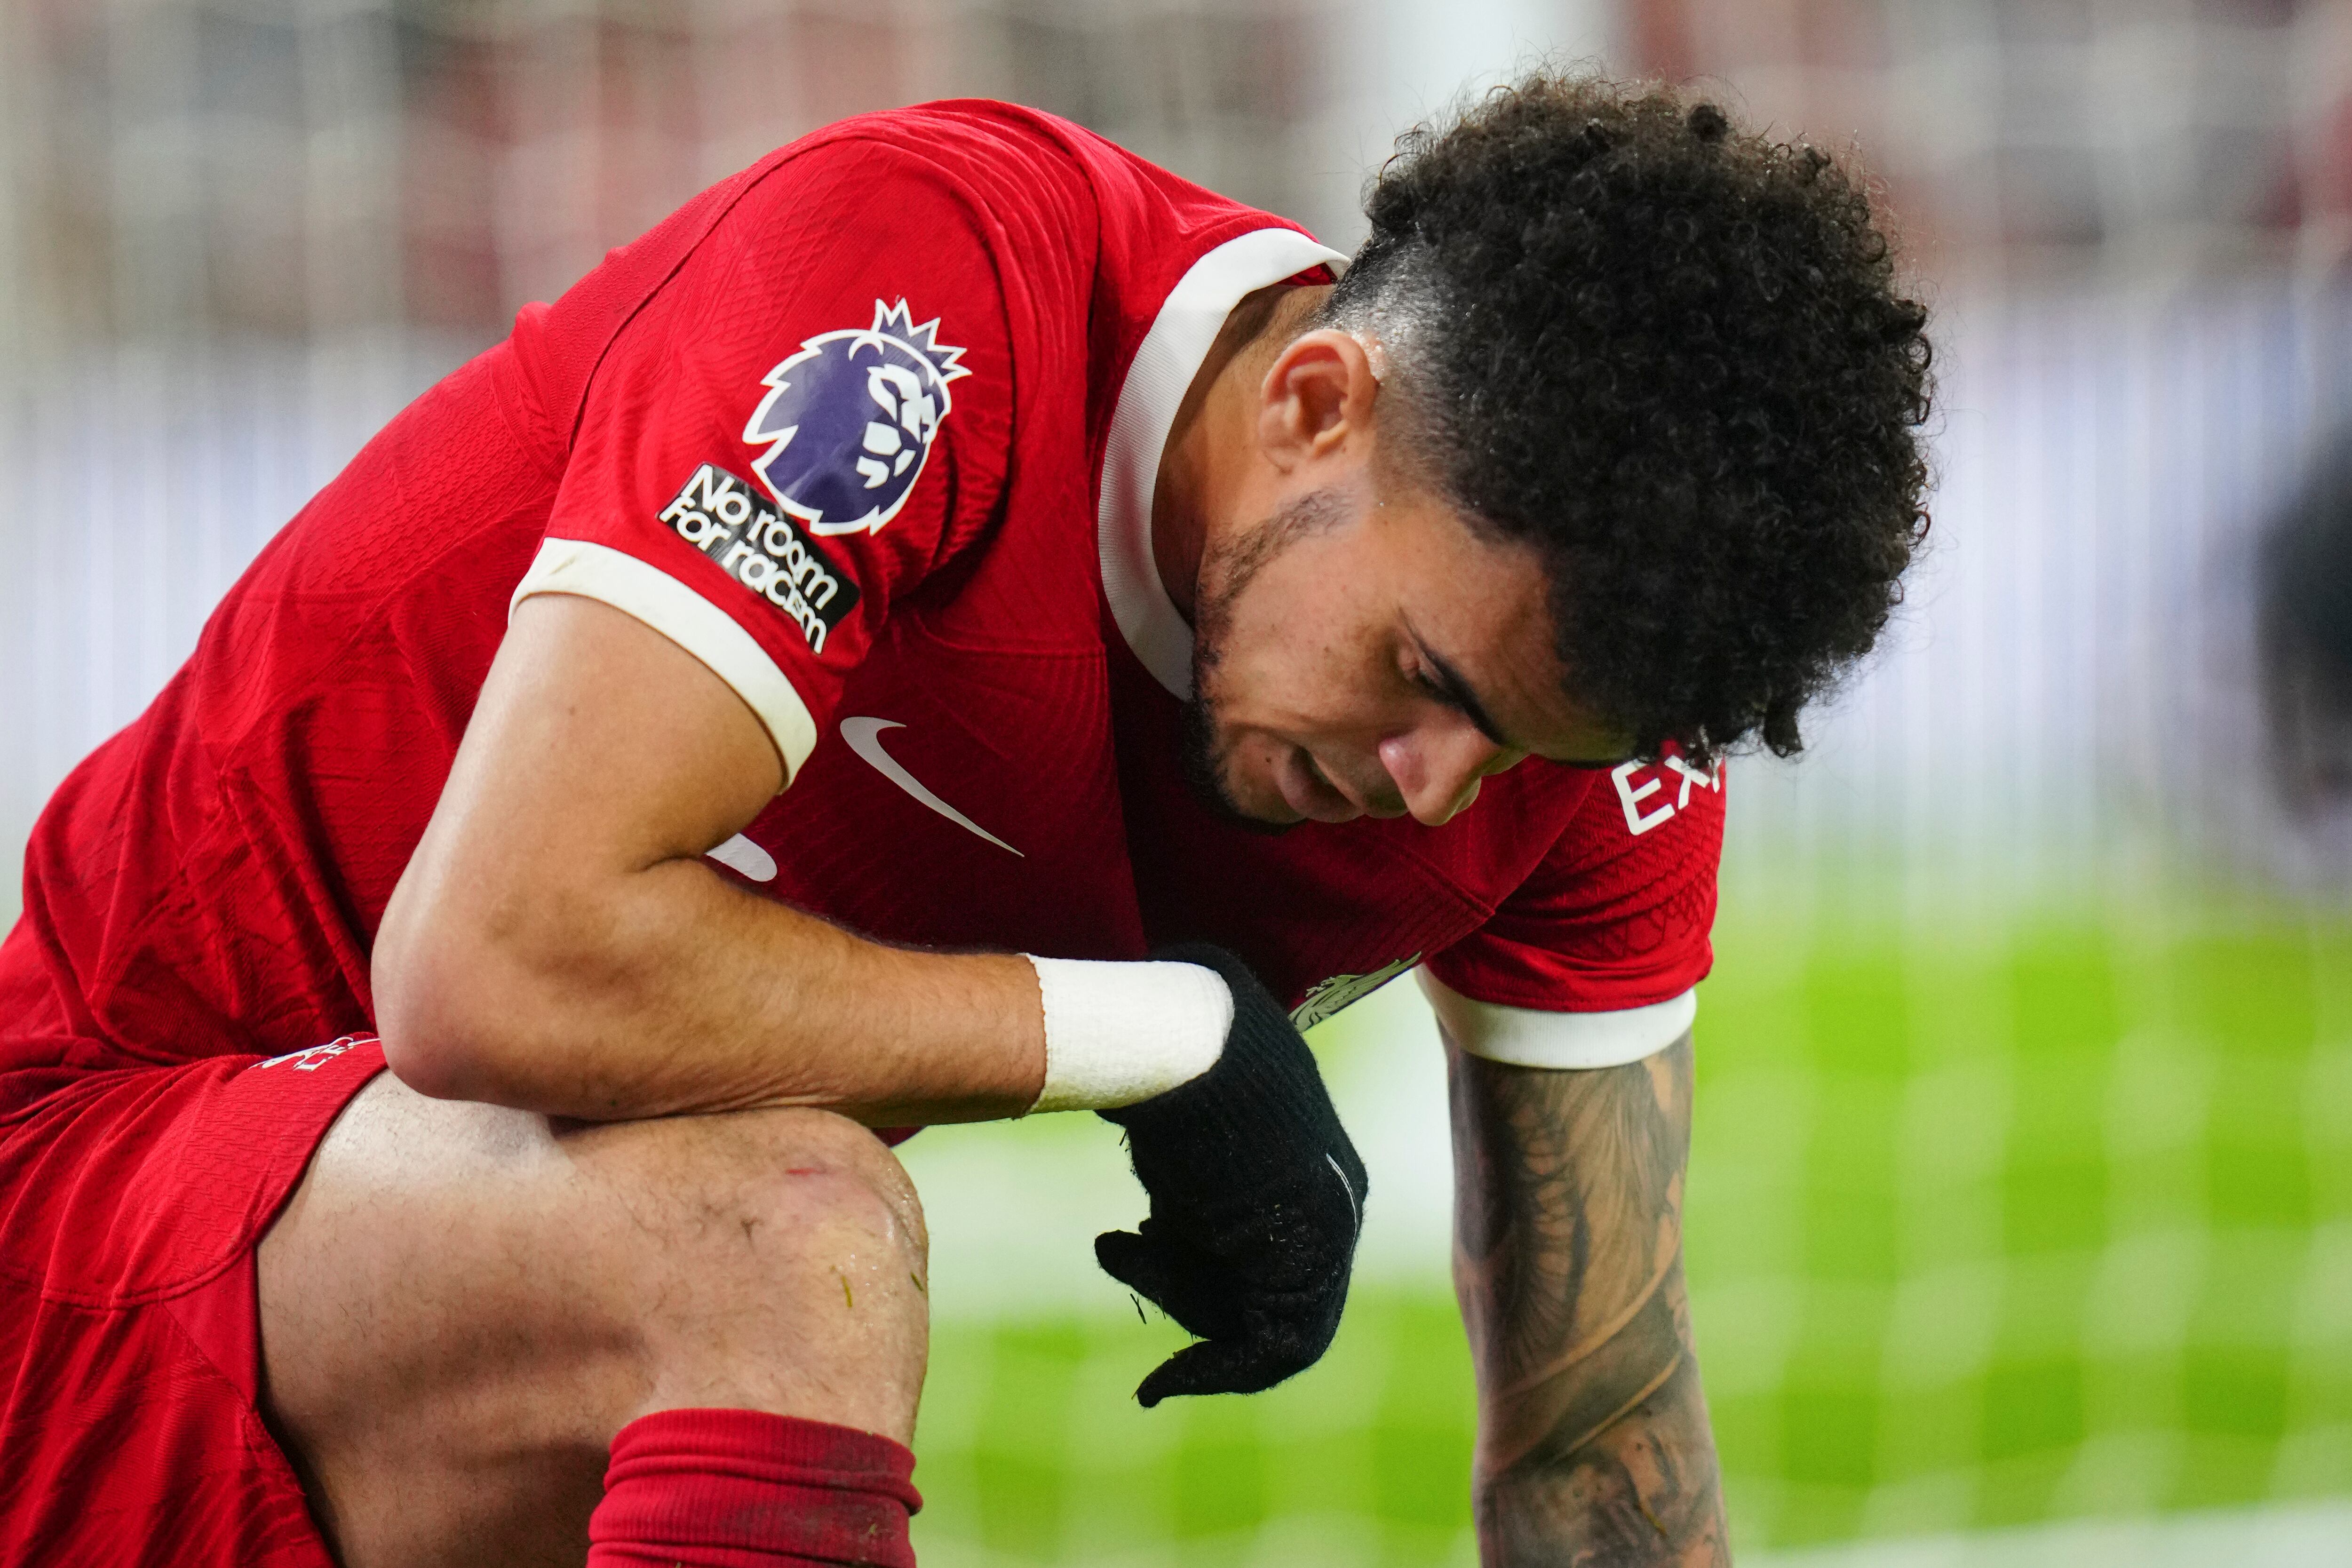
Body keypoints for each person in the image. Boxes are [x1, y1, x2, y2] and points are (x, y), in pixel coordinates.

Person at [0, 72, 1930, 1567]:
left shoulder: (1569, 757)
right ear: (1312, 406)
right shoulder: (925, 295)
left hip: (456, 1387)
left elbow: (1597, 1436)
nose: (1440, 788)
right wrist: (1175, 1035)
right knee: (786, 1240)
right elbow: (493, 962)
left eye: (1517, 752)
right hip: (86, 1243)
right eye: (1422, 679)